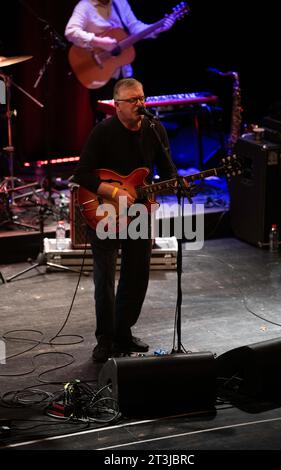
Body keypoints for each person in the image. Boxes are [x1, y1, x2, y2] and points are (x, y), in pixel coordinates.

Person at [73, 78, 178, 362]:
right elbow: (81, 174)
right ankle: (104, 340)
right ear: (116, 105)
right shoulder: (103, 131)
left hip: (139, 212)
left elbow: (169, 172)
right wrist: (112, 190)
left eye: (142, 98)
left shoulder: (154, 129)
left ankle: (123, 333)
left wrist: (177, 185)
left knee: (137, 274)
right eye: (132, 100)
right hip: (104, 210)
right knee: (105, 277)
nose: (139, 104)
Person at [65, 0, 175, 120]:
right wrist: (99, 41)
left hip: (123, 72)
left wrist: (158, 28)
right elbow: (71, 32)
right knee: (105, 125)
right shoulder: (85, 6)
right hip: (100, 75)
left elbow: (135, 27)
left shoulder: (120, 3)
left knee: (130, 121)